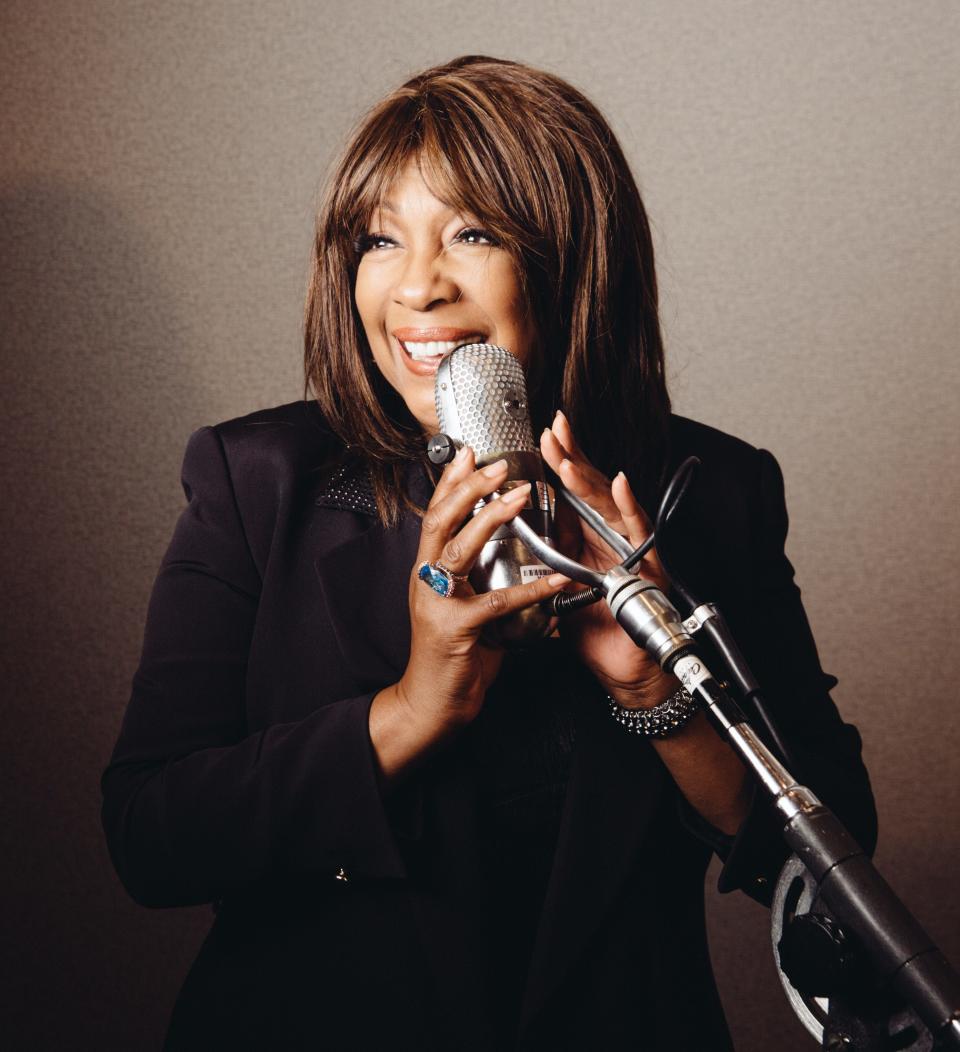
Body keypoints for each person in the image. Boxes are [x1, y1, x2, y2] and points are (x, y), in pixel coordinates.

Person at [101, 56, 877, 1050]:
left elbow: (832, 859)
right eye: (380, 237)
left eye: (471, 231)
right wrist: (414, 708)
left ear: (571, 259)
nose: (416, 284)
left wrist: (659, 694)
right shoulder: (259, 481)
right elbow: (151, 837)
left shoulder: (708, 490)